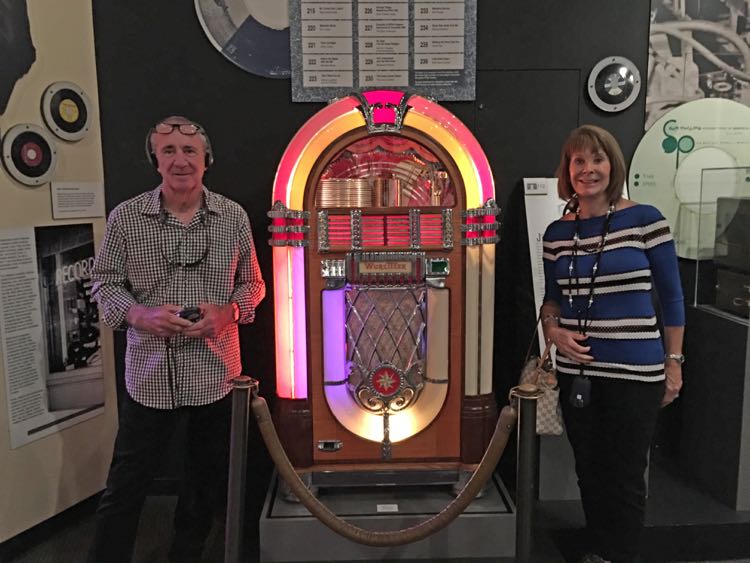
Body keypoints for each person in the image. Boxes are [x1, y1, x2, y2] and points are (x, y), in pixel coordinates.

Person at [87, 116, 265, 562]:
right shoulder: (126, 217)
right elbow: (103, 285)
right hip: (149, 377)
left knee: (203, 482)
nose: (180, 160)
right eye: (168, 151)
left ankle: (186, 554)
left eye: (189, 151)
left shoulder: (233, 217)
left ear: (207, 160)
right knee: (126, 485)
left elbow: (254, 285)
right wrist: (139, 314)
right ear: (155, 160)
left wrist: (228, 313)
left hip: (215, 374)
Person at [540, 125, 684, 563]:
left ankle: (619, 554)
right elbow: (552, 300)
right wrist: (553, 331)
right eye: (578, 161)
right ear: (567, 170)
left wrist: (673, 363)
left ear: (612, 165)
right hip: (579, 374)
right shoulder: (556, 234)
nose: (588, 170)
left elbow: (673, 297)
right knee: (589, 471)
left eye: (597, 160)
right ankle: (598, 548)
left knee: (624, 476)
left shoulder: (646, 220)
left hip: (635, 374)